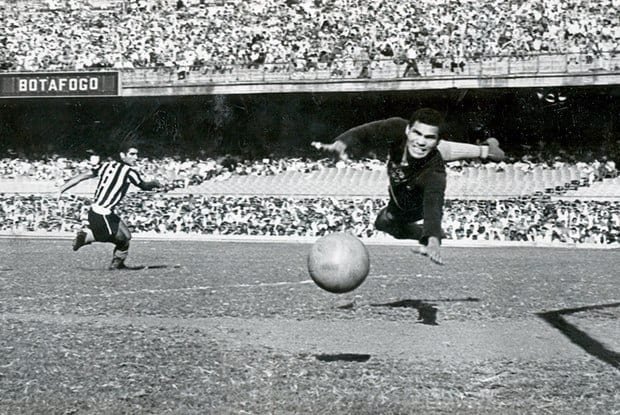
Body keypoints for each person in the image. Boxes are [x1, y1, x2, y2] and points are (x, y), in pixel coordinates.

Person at [311, 108, 505, 265]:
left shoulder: (434, 174)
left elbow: (433, 205)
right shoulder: (396, 128)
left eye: (429, 137)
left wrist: (432, 238)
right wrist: (342, 142)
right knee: (381, 222)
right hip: (401, 188)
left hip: (412, 204)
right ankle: (486, 150)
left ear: (436, 140)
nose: (420, 141)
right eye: (416, 133)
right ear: (407, 130)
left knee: (385, 221)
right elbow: (367, 131)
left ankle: (486, 151)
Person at [58, 143, 162, 269]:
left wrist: (62, 188)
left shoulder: (106, 165)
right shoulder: (129, 172)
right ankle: (86, 236)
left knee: (127, 236)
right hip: (101, 212)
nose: (136, 157)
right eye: (132, 154)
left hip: (105, 211)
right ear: (122, 155)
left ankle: (118, 265)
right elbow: (144, 186)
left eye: (136, 154)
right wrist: (155, 183)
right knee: (116, 238)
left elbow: (83, 176)